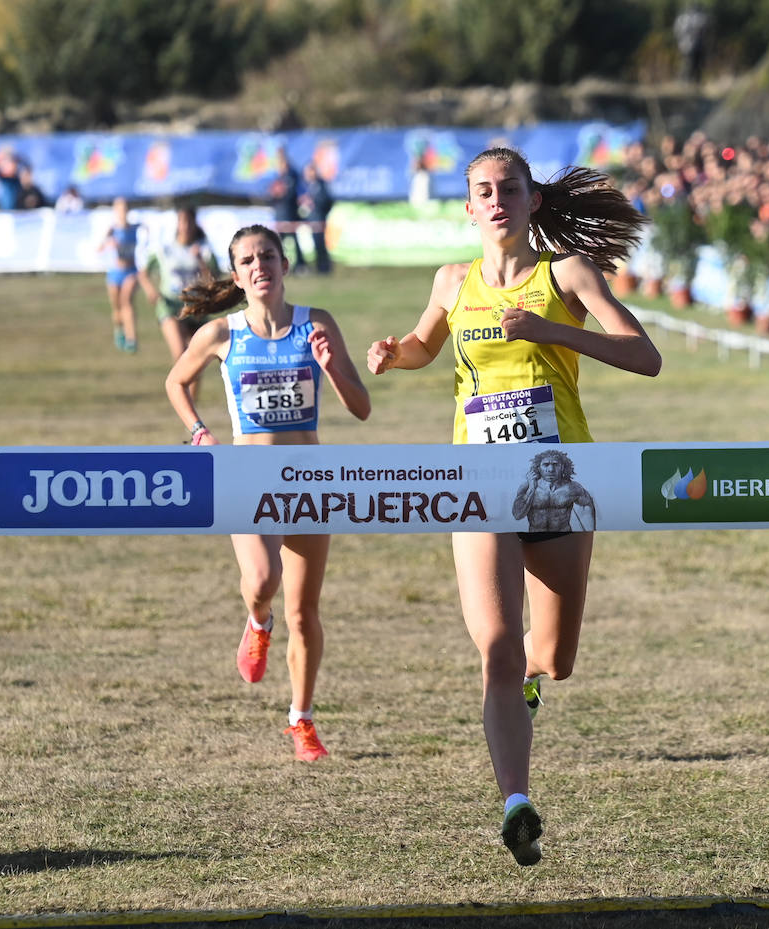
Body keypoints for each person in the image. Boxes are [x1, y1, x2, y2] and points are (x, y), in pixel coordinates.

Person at [364, 147, 661, 866]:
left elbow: (643, 355)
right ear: (468, 207)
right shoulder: (452, 281)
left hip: (564, 477)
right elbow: (424, 345)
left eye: (509, 189)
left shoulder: (566, 273)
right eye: (482, 191)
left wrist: (550, 329)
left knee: (551, 658)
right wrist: (392, 353)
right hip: (480, 478)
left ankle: (531, 682)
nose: (496, 200)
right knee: (496, 647)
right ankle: (517, 802)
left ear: (532, 201)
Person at [165, 224, 371, 761]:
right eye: (248, 260)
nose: (260, 266)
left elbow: (361, 406)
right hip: (249, 477)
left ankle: (302, 721)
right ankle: (257, 622)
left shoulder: (316, 324)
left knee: (304, 613)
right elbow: (175, 382)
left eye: (268, 257)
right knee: (262, 578)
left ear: (284, 265)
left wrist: (331, 369)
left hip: (310, 479)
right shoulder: (221, 335)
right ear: (237, 275)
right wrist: (198, 431)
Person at [139, 205, 219, 389]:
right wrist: (151, 290)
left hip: (197, 308)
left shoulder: (204, 249)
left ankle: (190, 412)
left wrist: (200, 260)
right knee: (181, 354)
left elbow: (213, 281)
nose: (185, 226)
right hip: (170, 305)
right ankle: (182, 400)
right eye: (181, 221)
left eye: (189, 221)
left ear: (194, 223)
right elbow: (143, 273)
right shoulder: (165, 249)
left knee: (197, 360)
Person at [99, 196, 142, 353]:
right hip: (115, 272)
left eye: (125, 208)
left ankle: (132, 339)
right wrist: (108, 243)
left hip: (131, 271)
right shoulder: (112, 229)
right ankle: (119, 330)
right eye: (119, 208)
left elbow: (147, 240)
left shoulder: (136, 228)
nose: (122, 212)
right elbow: (99, 248)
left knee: (126, 301)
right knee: (117, 308)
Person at [268, 146, 306, 272]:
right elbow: (271, 196)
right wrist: (274, 193)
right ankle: (280, 264)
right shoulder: (277, 176)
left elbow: (292, 194)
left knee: (294, 240)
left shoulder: (292, 174)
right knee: (279, 243)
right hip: (279, 214)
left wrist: (282, 192)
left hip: (290, 213)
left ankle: (300, 264)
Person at [300, 162, 333, 274]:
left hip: (319, 219)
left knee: (320, 243)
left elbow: (327, 201)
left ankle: (325, 267)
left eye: (310, 171)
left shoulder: (321, 185)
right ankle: (319, 267)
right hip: (311, 219)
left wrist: (314, 203)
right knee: (315, 243)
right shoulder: (306, 186)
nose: (308, 174)